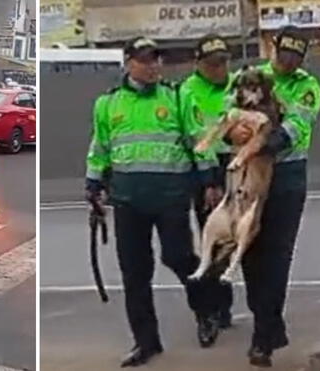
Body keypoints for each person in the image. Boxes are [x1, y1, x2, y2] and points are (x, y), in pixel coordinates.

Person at [85, 37, 222, 368]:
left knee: (178, 257)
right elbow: (100, 147)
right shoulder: (108, 103)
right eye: (146, 60)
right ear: (129, 63)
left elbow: (200, 140)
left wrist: (210, 181)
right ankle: (146, 342)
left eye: (157, 59)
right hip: (128, 200)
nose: (153, 66)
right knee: (135, 273)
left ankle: (207, 311)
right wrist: (93, 185)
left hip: (171, 197)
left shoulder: (177, 96)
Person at [227, 26, 320, 367]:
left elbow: (297, 127)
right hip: (251, 173)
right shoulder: (250, 75)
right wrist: (233, 133)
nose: (288, 62)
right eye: (284, 54)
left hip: (287, 175)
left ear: (302, 59)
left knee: (277, 256)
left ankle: (262, 339)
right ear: (274, 49)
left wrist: (262, 143)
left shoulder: (307, 86)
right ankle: (269, 323)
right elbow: (229, 112)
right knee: (249, 251)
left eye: (295, 57)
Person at [178, 34, 236, 330]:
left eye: (223, 63)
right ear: (198, 63)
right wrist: (209, 181)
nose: (219, 69)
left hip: (238, 165)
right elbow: (196, 137)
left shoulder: (238, 84)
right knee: (214, 241)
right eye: (213, 64)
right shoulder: (188, 91)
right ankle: (218, 306)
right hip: (206, 171)